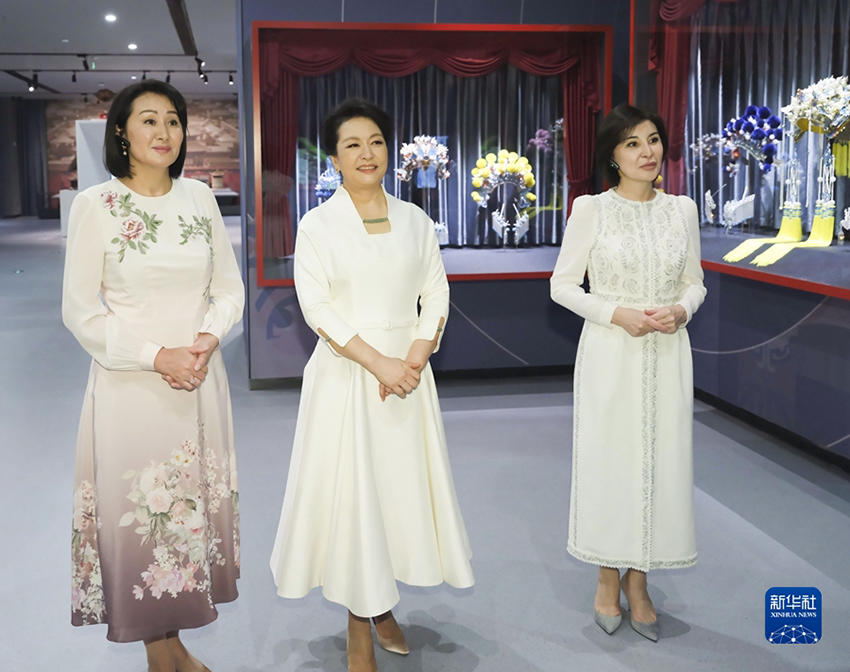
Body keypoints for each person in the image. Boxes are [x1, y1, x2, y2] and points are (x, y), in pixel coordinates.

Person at [269, 98, 474, 672]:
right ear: (333, 157)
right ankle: (359, 623)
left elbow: (435, 291)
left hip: (409, 377)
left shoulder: (414, 219)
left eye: (377, 141)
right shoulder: (317, 224)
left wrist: (411, 357)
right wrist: (380, 365)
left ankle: (384, 607)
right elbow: (318, 309)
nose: (367, 153)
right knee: (354, 500)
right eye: (353, 144)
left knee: (397, 495)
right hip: (349, 377)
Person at [63, 80, 244, 672]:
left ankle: (170, 645)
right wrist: (155, 355)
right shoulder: (97, 205)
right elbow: (81, 311)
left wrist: (206, 340)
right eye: (148, 120)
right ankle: (158, 650)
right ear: (121, 131)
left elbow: (228, 290)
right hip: (133, 384)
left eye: (173, 120)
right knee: (144, 513)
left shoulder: (199, 199)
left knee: (189, 509)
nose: (164, 132)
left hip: (198, 377)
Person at [550, 104, 706, 642]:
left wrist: (681, 310)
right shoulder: (591, 209)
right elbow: (562, 286)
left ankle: (640, 581)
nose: (648, 152)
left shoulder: (682, 209)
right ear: (613, 156)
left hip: (667, 351)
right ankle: (605, 576)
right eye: (633, 143)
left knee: (661, 465)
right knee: (609, 462)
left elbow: (696, 282)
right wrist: (615, 312)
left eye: (654, 140)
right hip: (611, 351)